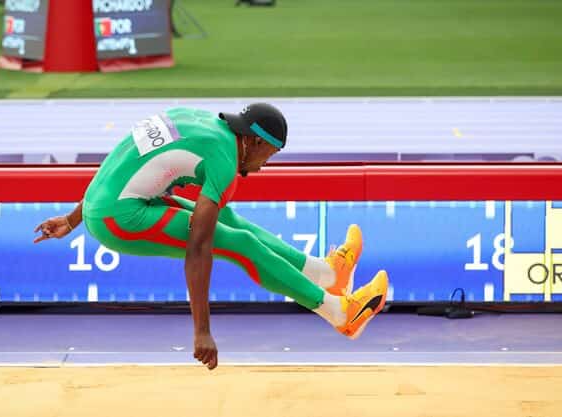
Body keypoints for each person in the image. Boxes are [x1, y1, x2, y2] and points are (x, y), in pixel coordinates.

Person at [33, 103, 389, 370]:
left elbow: (121, 166)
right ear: (251, 141)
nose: (265, 165)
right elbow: (199, 248)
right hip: (120, 218)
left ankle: (328, 274)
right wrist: (202, 331)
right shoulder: (222, 160)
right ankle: (341, 315)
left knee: (228, 217)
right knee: (239, 244)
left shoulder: (200, 121)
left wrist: (72, 217)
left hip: (105, 201)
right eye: (269, 154)